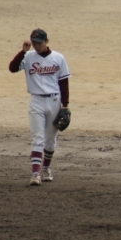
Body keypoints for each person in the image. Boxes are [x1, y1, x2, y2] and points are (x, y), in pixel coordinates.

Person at [8, 29, 71, 186]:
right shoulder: (28, 57)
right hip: (36, 101)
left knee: (50, 140)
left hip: (54, 101)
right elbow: (12, 68)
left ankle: (46, 168)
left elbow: (64, 82)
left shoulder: (58, 58)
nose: (36, 46)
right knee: (37, 138)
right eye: (34, 43)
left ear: (46, 41)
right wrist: (22, 51)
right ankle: (35, 174)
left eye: (39, 43)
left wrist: (65, 106)